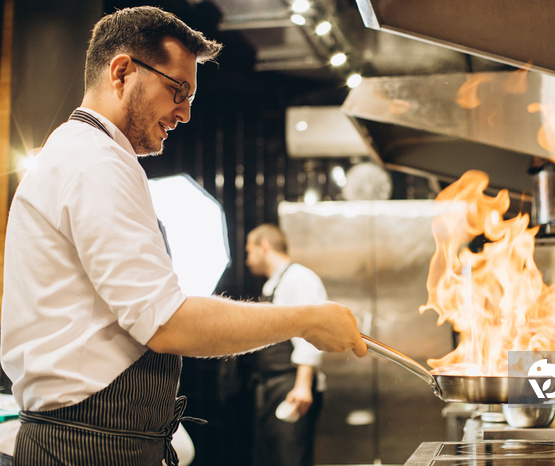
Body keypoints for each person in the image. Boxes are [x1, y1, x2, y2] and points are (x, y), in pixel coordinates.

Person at [0, 6, 367, 466]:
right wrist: (306, 320)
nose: (186, 113)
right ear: (122, 72)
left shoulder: (86, 156)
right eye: (178, 90)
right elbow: (167, 323)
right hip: (86, 447)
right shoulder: (96, 163)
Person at [243, 224, 328, 466]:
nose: (248, 260)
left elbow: (311, 333)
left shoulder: (298, 278)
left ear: (264, 246)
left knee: (291, 460)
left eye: (249, 251)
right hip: (273, 385)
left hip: (291, 385)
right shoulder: (273, 284)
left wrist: (302, 386)